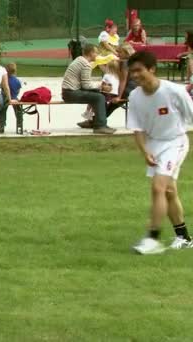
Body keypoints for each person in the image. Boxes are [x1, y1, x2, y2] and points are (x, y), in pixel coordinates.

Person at [127, 51, 193, 254]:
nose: (135, 75)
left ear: (152, 69)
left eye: (139, 70)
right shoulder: (135, 96)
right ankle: (184, 237)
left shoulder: (174, 91)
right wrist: (144, 151)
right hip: (154, 146)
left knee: (158, 187)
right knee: (169, 192)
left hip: (176, 142)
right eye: (132, 72)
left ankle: (153, 239)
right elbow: (137, 128)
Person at [62, 44, 115, 134]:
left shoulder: (79, 60)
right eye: (96, 53)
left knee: (100, 95)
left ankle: (99, 123)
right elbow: (86, 85)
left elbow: (84, 84)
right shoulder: (86, 64)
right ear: (91, 53)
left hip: (68, 92)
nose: (97, 55)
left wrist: (100, 87)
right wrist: (102, 86)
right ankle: (100, 126)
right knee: (99, 98)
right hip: (71, 93)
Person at [0, 63, 23, 134]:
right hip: (14, 98)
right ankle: (20, 124)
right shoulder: (17, 80)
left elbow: (2, 89)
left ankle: (2, 126)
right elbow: (18, 90)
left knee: (2, 111)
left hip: (5, 98)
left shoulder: (3, 80)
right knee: (18, 110)